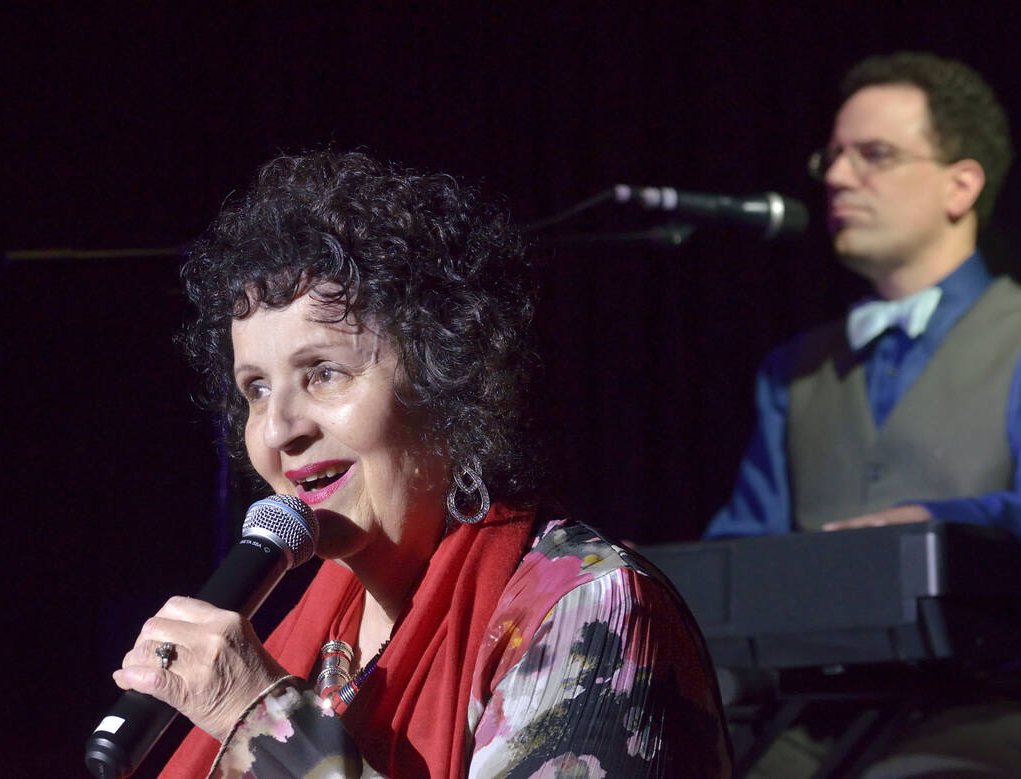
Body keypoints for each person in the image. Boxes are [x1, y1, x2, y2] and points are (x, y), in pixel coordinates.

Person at [111, 150, 731, 778]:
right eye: (257, 389)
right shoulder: (320, 633)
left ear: (447, 383)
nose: (278, 431)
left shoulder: (592, 610)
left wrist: (262, 721)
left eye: (324, 374)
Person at [705, 52, 1021, 776]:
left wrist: (932, 527)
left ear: (961, 184)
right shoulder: (794, 368)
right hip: (824, 715)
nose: (837, 177)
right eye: (832, 156)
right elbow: (741, 554)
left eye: (873, 155)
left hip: (1008, 705)